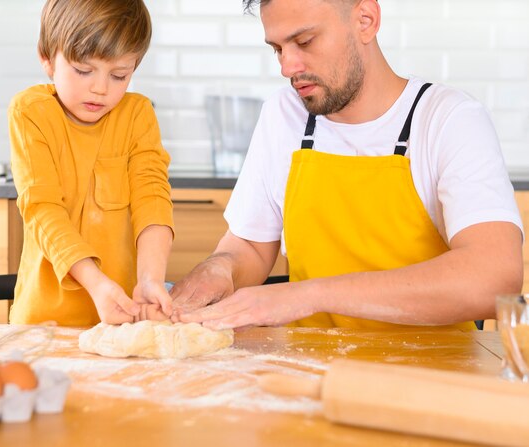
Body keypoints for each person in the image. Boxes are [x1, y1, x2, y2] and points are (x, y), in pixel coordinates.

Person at [171, 0, 524, 331]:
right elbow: (250, 245)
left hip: (435, 381)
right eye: (277, 48)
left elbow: (493, 277)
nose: (287, 67)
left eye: (305, 41)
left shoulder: (448, 118)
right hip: (309, 374)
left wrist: (308, 295)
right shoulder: (284, 115)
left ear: (365, 20)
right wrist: (221, 268)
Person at [8, 0, 174, 326]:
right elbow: (42, 209)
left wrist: (151, 278)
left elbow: (152, 198)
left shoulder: (137, 115)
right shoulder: (31, 112)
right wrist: (96, 284)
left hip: (122, 319)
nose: (100, 88)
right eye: (83, 70)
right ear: (47, 58)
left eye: (119, 75)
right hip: (44, 324)